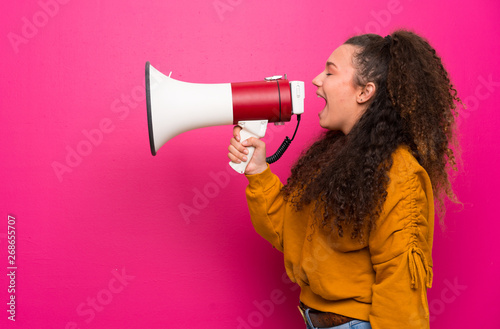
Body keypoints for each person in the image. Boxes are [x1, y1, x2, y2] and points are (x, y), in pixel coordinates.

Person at [228, 30, 461, 329]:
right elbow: (289, 233)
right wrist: (258, 172)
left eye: (330, 72)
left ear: (365, 92)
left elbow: (400, 287)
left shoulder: (400, 175)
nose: (316, 79)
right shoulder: (334, 158)